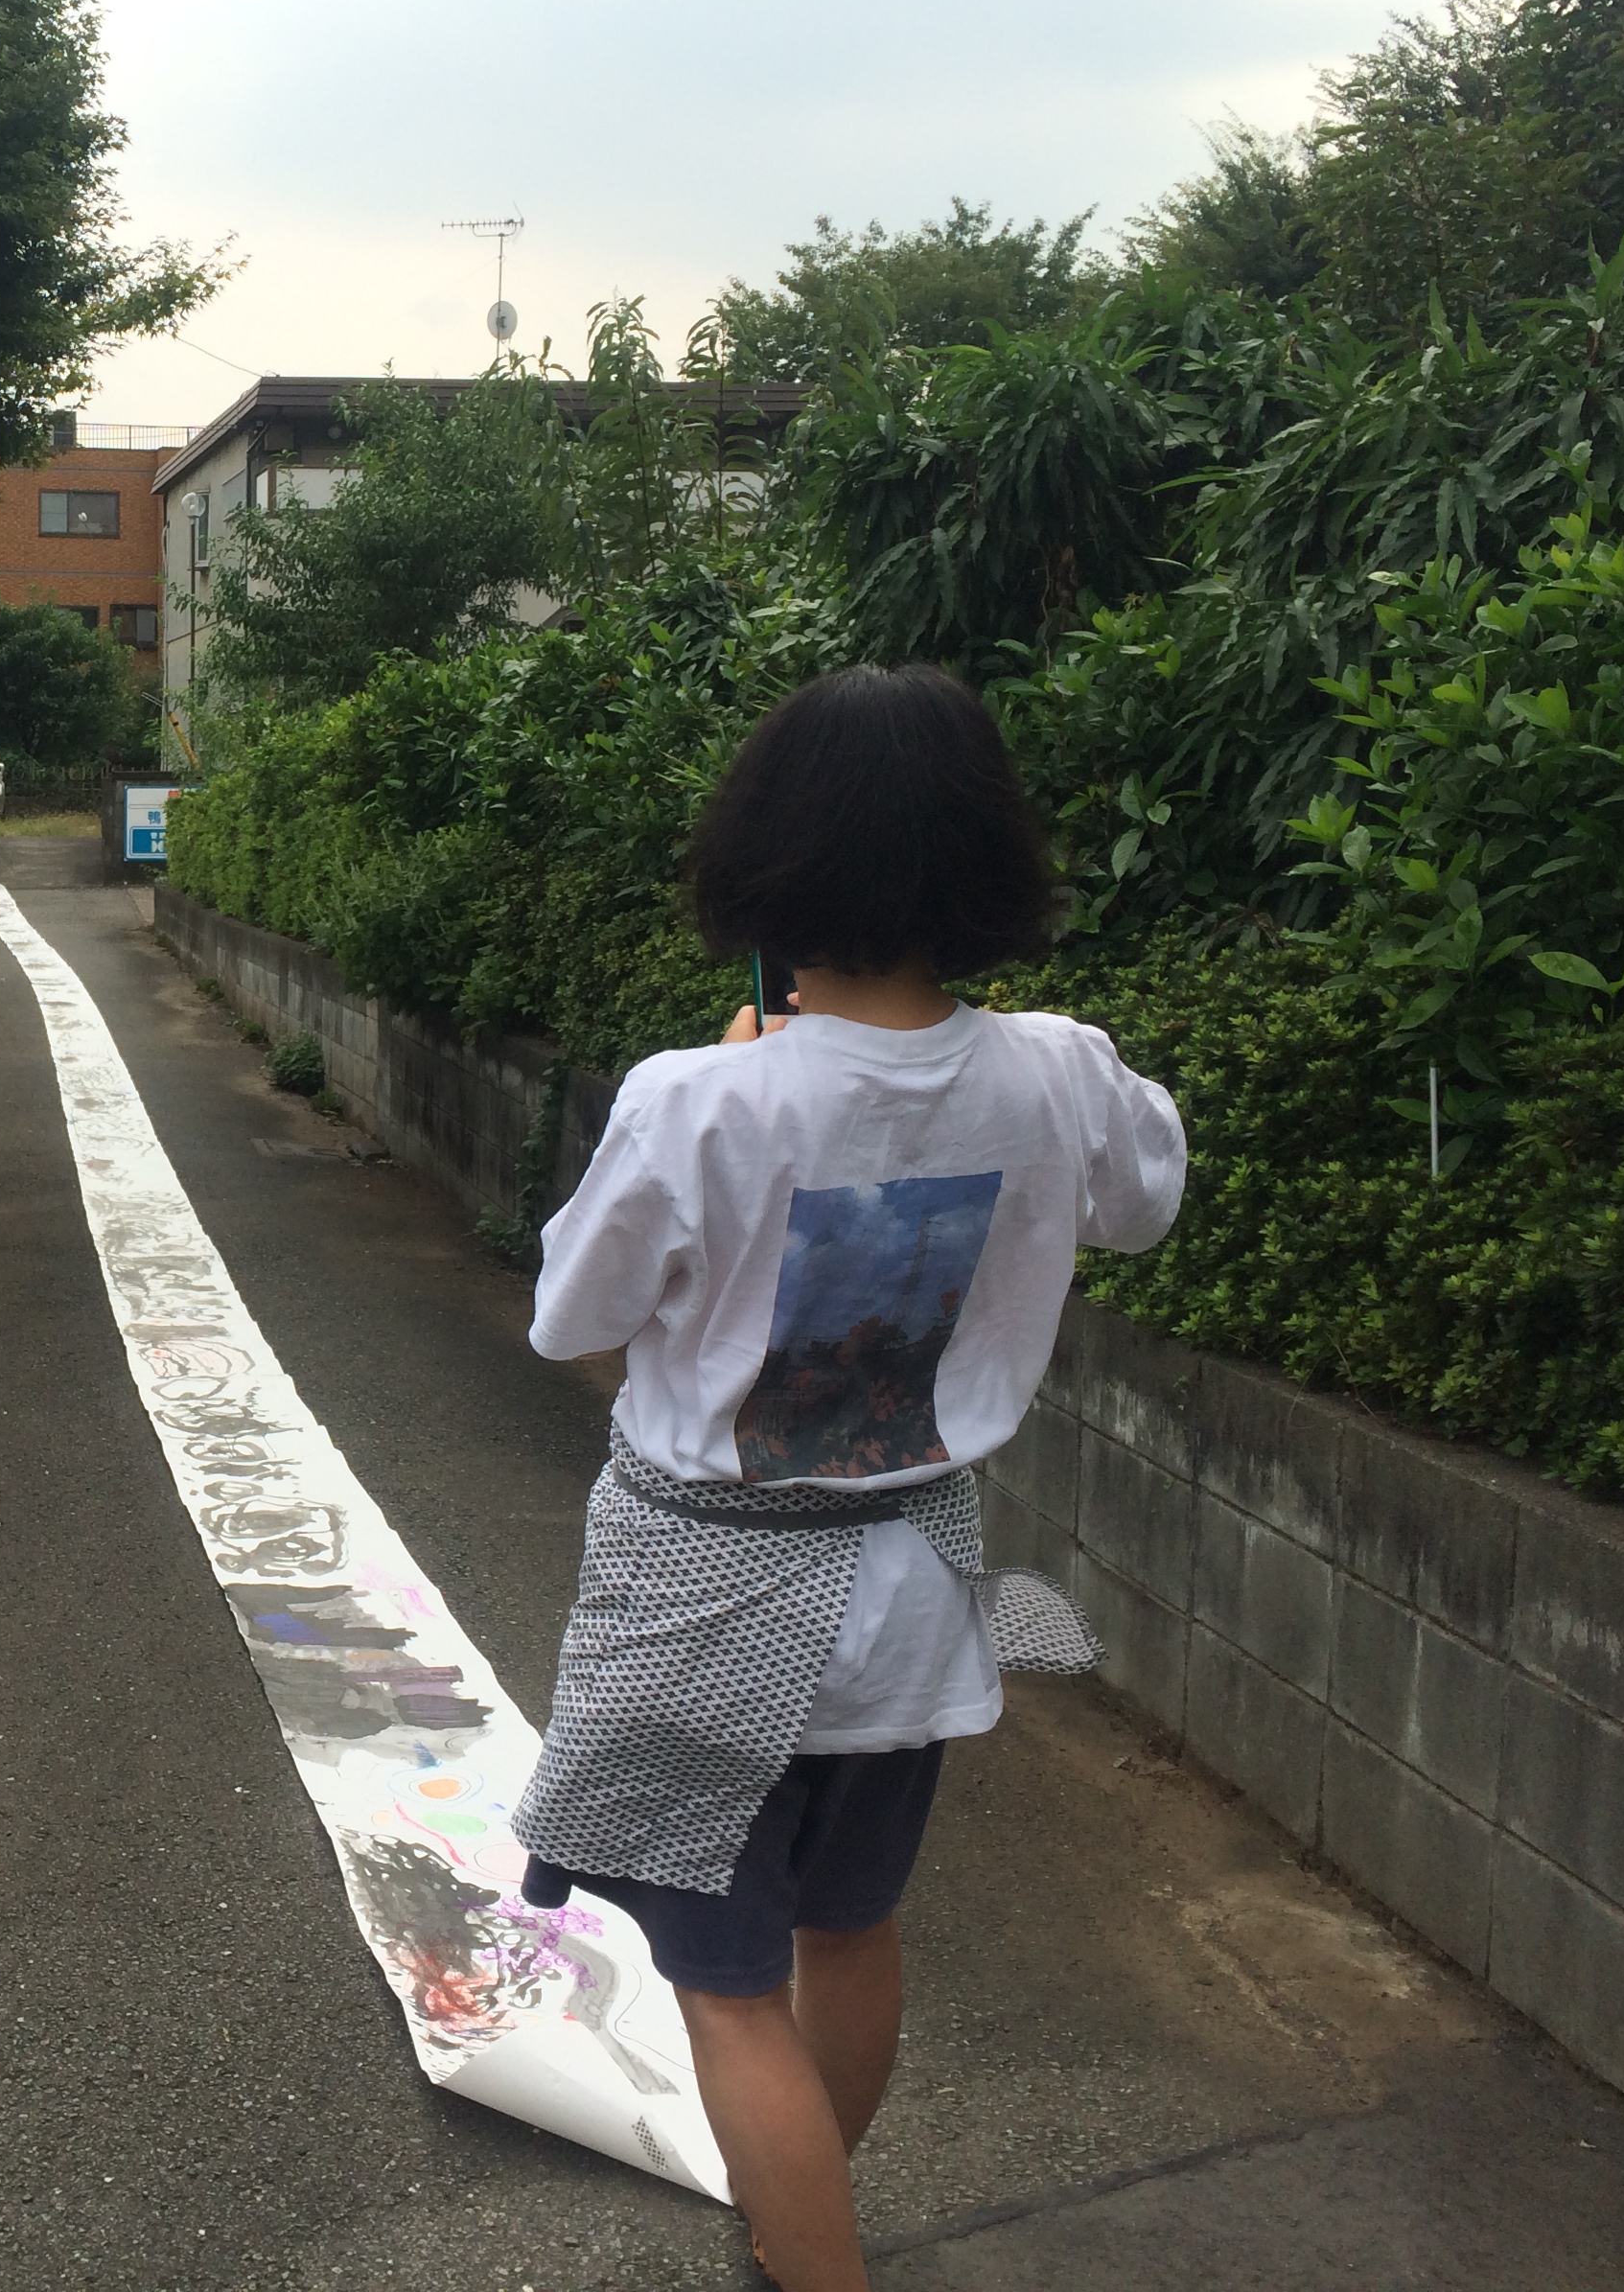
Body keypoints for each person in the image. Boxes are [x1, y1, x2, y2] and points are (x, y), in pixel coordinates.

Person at [508, 663, 1183, 2292]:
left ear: (767, 862)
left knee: (728, 1993)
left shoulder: (702, 1098)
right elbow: (1142, 1202)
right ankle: (793, 2220)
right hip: (909, 1601)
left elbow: (568, 1318)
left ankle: (808, 2247)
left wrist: (737, 1076)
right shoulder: (1058, 1071)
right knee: (849, 1928)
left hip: (706, 1612)